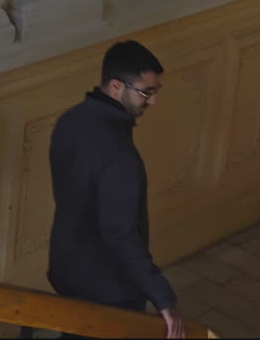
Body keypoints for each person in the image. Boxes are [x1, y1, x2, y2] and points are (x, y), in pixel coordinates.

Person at [46, 40, 186, 339]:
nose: (152, 101)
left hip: (67, 267)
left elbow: (65, 193)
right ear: (115, 86)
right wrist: (164, 299)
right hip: (108, 288)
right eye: (146, 92)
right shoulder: (120, 158)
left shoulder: (69, 121)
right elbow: (121, 237)